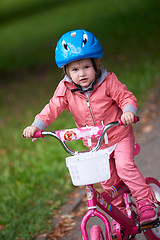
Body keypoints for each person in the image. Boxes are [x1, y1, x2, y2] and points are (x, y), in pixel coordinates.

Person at [23, 29, 158, 237]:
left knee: (124, 168)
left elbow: (126, 98)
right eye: (75, 69)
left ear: (96, 65)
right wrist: (36, 126)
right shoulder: (65, 89)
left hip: (119, 135)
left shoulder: (108, 81)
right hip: (96, 145)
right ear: (66, 71)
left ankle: (144, 201)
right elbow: (52, 107)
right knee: (108, 183)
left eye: (86, 66)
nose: (82, 73)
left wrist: (128, 112)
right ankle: (120, 217)